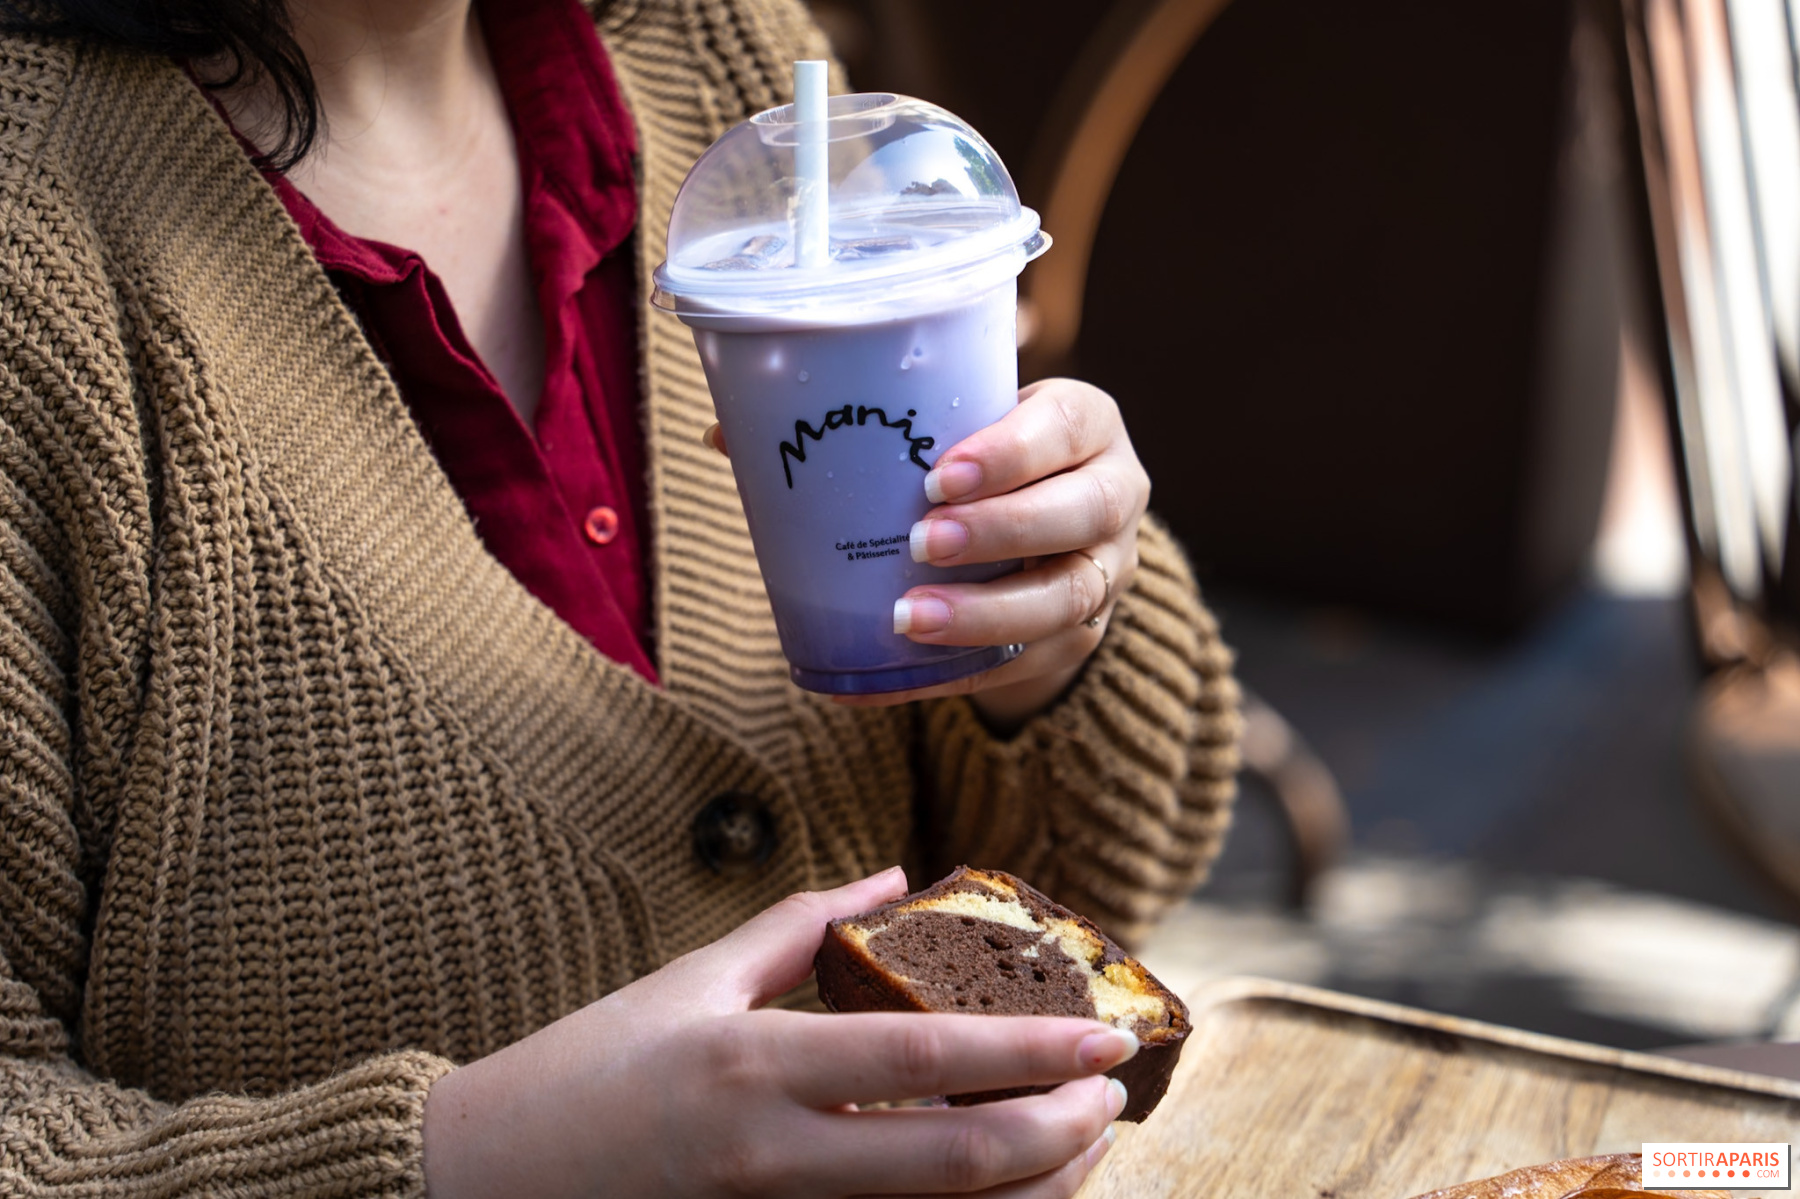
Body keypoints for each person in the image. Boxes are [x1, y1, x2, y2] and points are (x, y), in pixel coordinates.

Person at [0, 0, 1240, 1194]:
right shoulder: (38, 255)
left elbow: (1104, 883)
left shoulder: (730, 65)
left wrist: (1040, 642)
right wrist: (467, 1162)